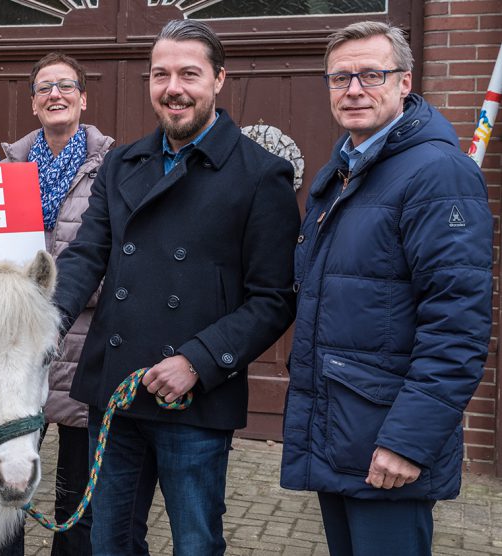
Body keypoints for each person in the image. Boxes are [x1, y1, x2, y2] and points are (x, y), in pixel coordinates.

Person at [52, 19, 300, 554]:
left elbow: (274, 299)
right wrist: (43, 322)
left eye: (189, 74)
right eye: (161, 74)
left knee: (194, 543)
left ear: (219, 80)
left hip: (194, 397)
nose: (174, 88)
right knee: (109, 542)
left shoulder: (262, 175)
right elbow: (86, 255)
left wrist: (197, 362)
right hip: (115, 393)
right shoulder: (123, 162)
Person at [281, 21, 492, 555]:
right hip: (341, 433)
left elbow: (457, 326)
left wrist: (407, 441)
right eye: (340, 78)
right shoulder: (345, 171)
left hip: (388, 442)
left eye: (371, 74)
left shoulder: (437, 174)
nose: (354, 89)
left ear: (404, 82)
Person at [1, 51, 114, 555]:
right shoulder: (6, 168)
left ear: (83, 98)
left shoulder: (113, 167)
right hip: (15, 347)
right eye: (45, 87)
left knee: (77, 491)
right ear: (33, 104)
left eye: (66, 85)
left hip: (82, 343)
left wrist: (63, 296)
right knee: (6, 483)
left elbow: (118, 256)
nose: (55, 94)